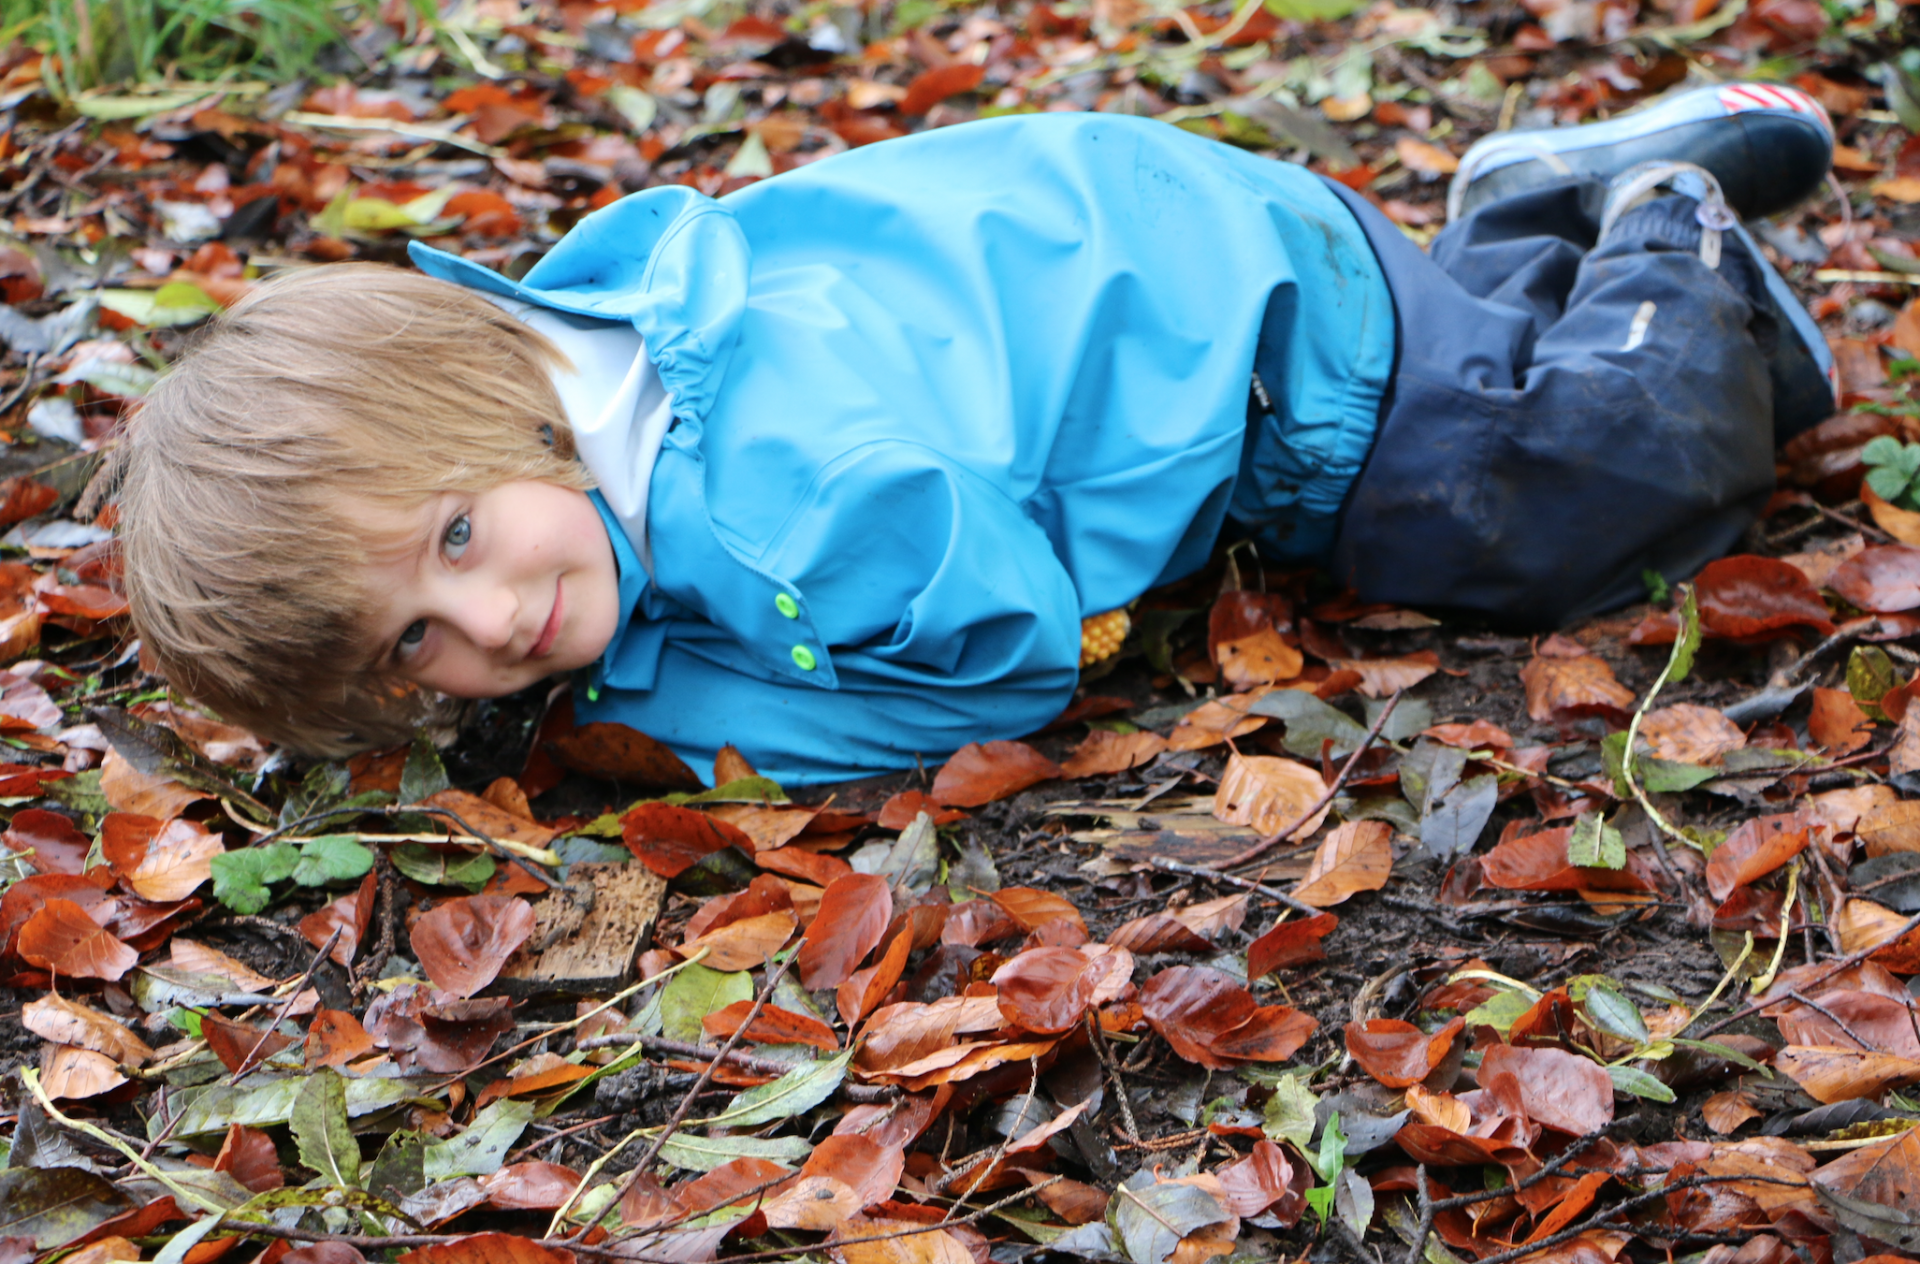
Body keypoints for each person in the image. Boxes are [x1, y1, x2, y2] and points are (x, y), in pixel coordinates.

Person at [114, 83, 1838, 784]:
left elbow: (1008, 669)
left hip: (1275, 351)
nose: (494, 628)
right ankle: (1521, 212)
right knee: (1490, 393)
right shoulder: (591, 358)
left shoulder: (793, 500)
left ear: (472, 402)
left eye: (458, 539)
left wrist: (672, 708)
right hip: (1151, 239)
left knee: (1551, 504)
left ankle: (1659, 232)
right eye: (418, 638)